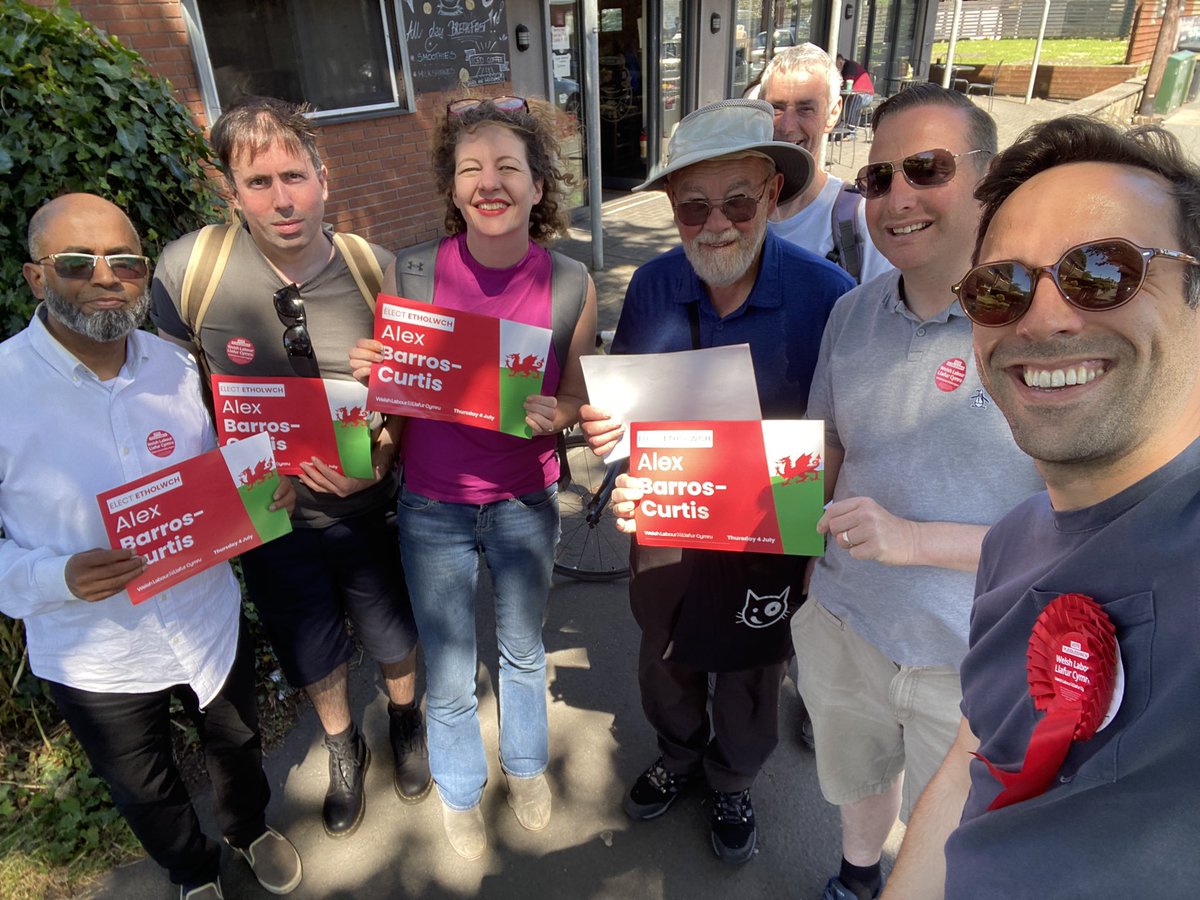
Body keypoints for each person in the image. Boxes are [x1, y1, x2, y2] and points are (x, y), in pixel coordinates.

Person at [883, 116, 1200, 899]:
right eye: (1001, 287)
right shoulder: (1014, 541)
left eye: (1104, 271)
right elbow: (975, 760)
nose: (1046, 317)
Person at [0, 193, 302, 900]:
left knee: (237, 742)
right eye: (78, 262)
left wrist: (262, 491)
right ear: (37, 276)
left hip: (205, 619)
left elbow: (214, 474)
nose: (107, 277)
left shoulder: (177, 365)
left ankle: (247, 829)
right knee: (143, 784)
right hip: (98, 650)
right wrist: (55, 576)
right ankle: (192, 872)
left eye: (126, 262)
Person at [582, 99, 854, 864]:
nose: (716, 225)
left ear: (772, 193)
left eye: (737, 201)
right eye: (693, 206)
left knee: (753, 672)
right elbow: (626, 413)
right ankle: (677, 755)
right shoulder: (652, 287)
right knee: (665, 652)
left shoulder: (827, 294)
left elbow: (843, 431)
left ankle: (732, 778)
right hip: (670, 518)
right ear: (671, 205)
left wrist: (819, 537)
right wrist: (612, 442)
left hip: (774, 525)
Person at [790, 84, 1044, 900]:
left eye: (926, 169)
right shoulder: (849, 314)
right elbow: (827, 445)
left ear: (989, 180)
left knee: (956, 840)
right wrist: (687, 495)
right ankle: (855, 875)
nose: (897, 197)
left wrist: (914, 540)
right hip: (847, 620)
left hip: (974, 659)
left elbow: (1091, 526)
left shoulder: (1047, 325)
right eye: (877, 178)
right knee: (857, 778)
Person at [150, 96, 429, 839]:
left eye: (294, 176)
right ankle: (343, 745)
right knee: (308, 643)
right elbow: (170, 403)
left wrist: (384, 457)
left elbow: (412, 390)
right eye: (260, 182)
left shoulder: (375, 269)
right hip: (267, 514)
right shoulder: (189, 271)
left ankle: (406, 720)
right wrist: (219, 478)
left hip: (366, 502)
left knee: (393, 630)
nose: (282, 199)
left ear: (323, 179)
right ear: (231, 191)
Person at [349, 95, 597, 860]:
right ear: (453, 190)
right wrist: (374, 375)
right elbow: (393, 397)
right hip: (433, 506)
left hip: (525, 499)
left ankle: (525, 767)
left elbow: (579, 396)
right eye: (471, 169)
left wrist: (561, 413)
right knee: (451, 667)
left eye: (508, 168)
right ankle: (459, 790)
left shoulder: (570, 281)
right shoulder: (411, 271)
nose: (490, 183)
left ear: (537, 185)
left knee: (523, 652)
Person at [762, 47, 891, 287]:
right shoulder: (731, 211)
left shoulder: (861, 219)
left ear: (833, 113)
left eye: (805, 109)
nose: (787, 126)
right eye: (776, 107)